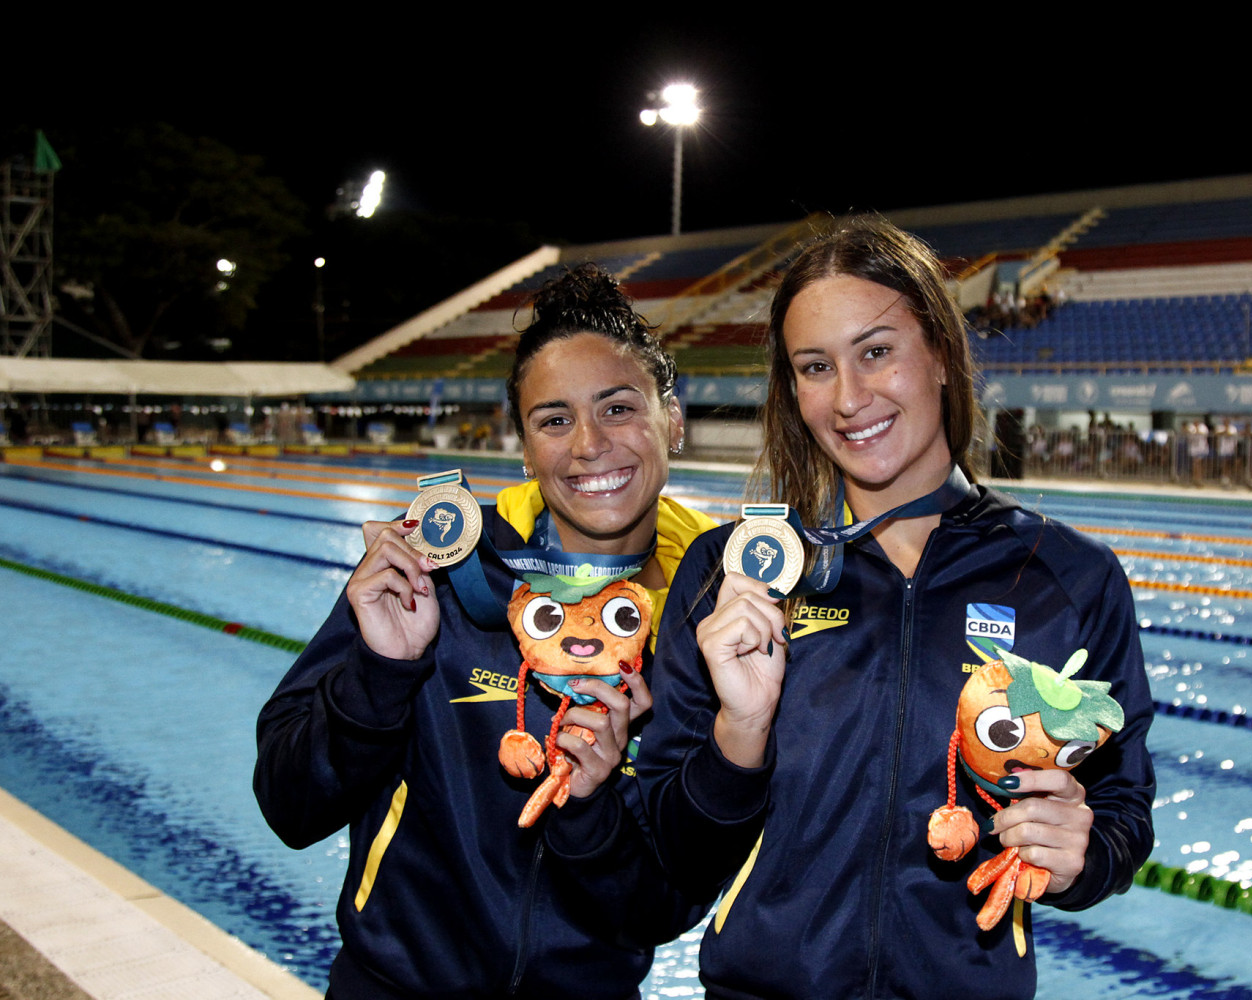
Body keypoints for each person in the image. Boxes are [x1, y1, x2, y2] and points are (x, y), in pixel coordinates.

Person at [636, 219, 1155, 1000]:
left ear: (940, 353)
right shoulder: (734, 574)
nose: (848, 399)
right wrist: (736, 738)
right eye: (816, 367)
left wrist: (1085, 855)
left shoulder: (1063, 577)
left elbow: (1120, 806)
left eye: (875, 352)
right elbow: (670, 848)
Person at [254, 264, 718, 999]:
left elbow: (664, 903)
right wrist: (379, 671)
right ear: (525, 444)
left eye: (618, 408)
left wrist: (592, 803)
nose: (589, 445)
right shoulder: (434, 566)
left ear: (674, 418)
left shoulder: (710, 620)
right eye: (554, 419)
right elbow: (289, 804)